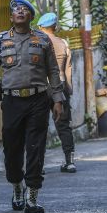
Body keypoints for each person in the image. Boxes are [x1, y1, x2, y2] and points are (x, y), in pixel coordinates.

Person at [0, 0, 64, 213]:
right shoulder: (0, 41)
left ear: (31, 17)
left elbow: (53, 71)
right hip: (12, 101)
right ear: (10, 17)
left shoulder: (43, 40)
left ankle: (32, 197)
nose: (20, 11)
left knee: (36, 148)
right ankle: (17, 186)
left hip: (38, 100)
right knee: (12, 149)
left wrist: (57, 99)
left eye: (25, 9)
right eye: (16, 9)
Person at [38, 12, 76, 173]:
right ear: (55, 27)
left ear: (40, 27)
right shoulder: (63, 43)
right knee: (63, 124)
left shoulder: (37, 42)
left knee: (38, 126)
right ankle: (70, 161)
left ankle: (38, 166)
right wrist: (68, 90)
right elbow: (68, 70)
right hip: (60, 87)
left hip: (40, 88)